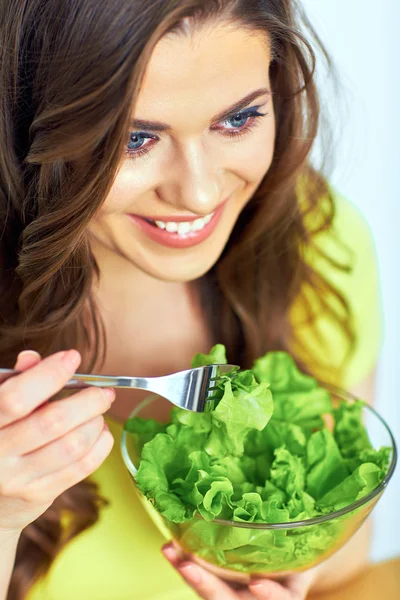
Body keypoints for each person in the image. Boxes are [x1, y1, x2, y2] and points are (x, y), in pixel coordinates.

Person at [0, 1, 383, 599]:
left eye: (237, 121)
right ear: (25, 126)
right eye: (134, 139)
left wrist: (281, 574)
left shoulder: (318, 245)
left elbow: (344, 569)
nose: (199, 191)